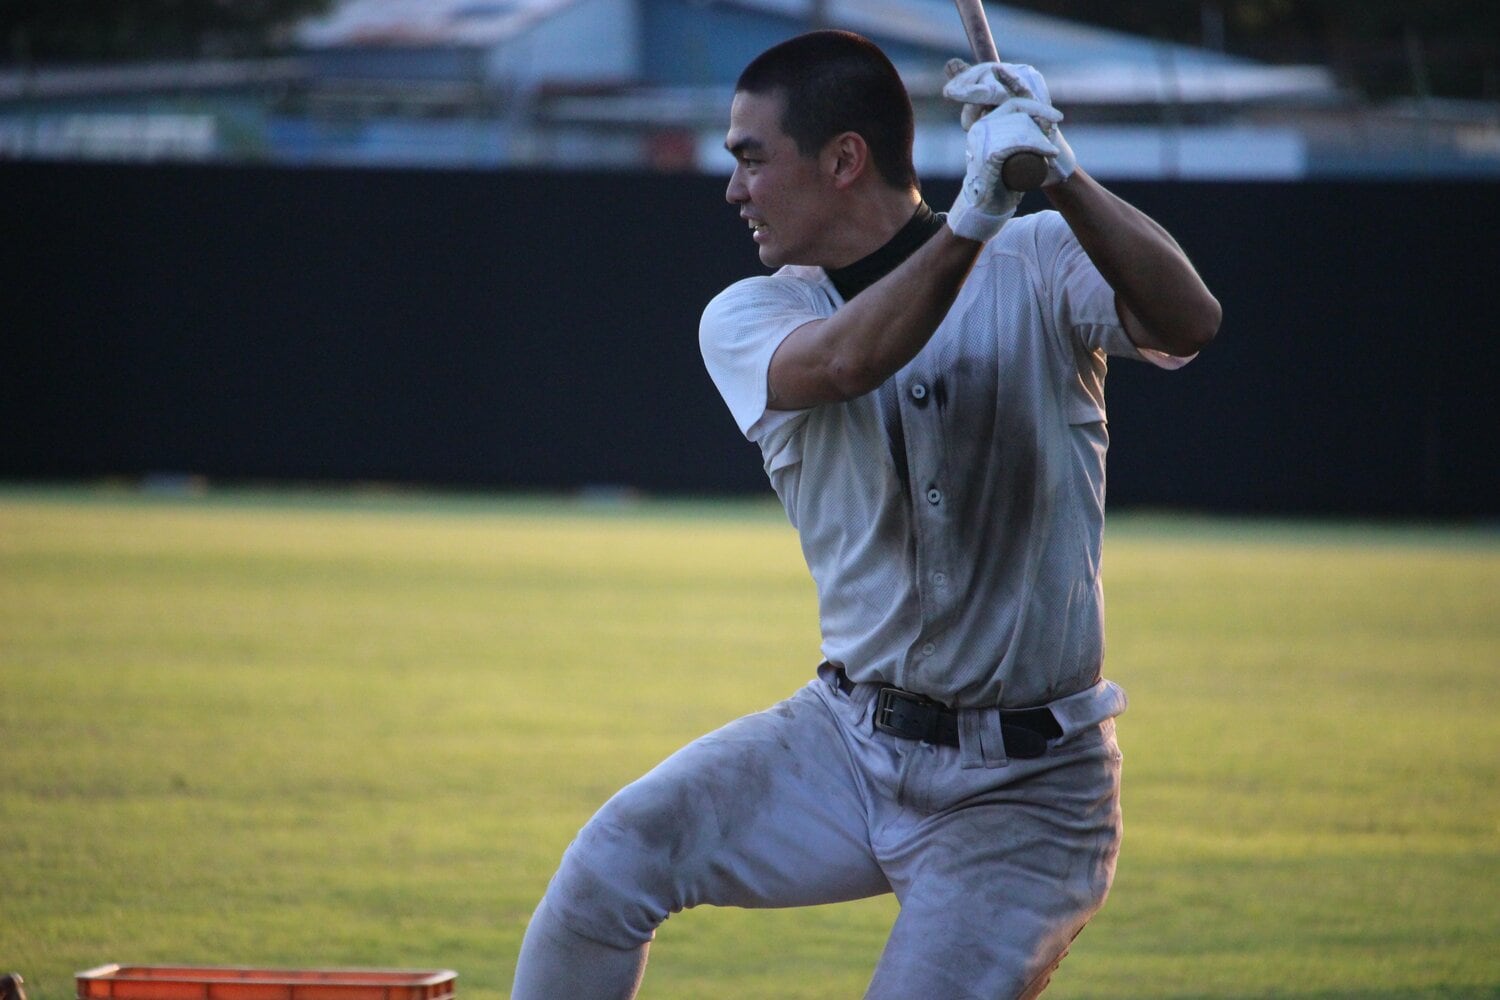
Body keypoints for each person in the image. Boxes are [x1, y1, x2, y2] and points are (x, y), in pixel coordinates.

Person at [511, 29, 1220, 999]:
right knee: (613, 862)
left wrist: (1061, 172)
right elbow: (845, 362)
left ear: (844, 159)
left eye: (752, 158)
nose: (734, 189)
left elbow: (1191, 319)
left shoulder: (1041, 257)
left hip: (1032, 790)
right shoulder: (748, 313)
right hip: (848, 740)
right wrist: (976, 215)